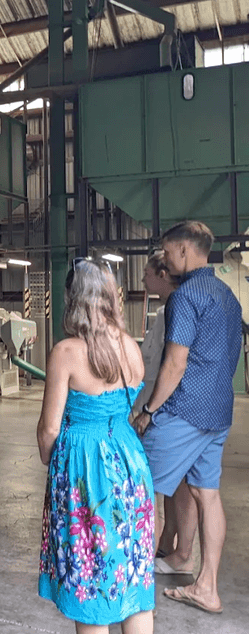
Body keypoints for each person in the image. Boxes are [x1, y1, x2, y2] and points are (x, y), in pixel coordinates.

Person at [37, 258, 154, 634]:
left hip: (85, 470)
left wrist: (51, 461)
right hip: (130, 463)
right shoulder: (130, 347)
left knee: (90, 583)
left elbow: (49, 429)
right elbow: (129, 403)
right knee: (132, 576)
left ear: (72, 298)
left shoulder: (66, 352)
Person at [132, 221, 242, 615]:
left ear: (182, 250)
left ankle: (131, 581)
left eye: (167, 251)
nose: (164, 260)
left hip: (184, 410)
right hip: (218, 411)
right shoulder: (228, 296)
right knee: (206, 494)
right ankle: (206, 587)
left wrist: (148, 411)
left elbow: (175, 363)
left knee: (138, 480)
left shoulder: (185, 296)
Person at [135, 252, 189, 564]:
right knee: (170, 482)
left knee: (164, 480)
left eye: (147, 273)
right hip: (157, 403)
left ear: (163, 275)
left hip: (164, 407)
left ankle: (170, 547)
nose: (143, 279)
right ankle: (167, 541)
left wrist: (149, 410)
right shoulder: (165, 310)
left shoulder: (175, 311)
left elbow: (168, 365)